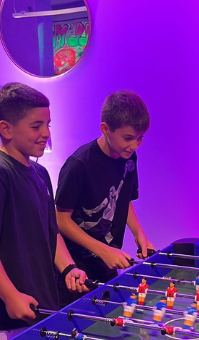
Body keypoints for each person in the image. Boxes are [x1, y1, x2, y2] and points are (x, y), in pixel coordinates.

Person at [0, 83, 87, 340]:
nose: (46, 133)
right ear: (6, 129)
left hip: (40, 306)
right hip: (4, 318)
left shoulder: (40, 173)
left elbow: (51, 232)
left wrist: (68, 268)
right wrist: (10, 296)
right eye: (36, 126)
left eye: (48, 125)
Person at [55, 90, 154, 306]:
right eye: (128, 138)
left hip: (107, 260)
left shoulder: (129, 158)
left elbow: (123, 200)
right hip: (76, 268)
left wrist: (139, 233)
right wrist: (103, 250)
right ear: (105, 129)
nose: (135, 145)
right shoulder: (79, 165)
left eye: (140, 138)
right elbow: (61, 221)